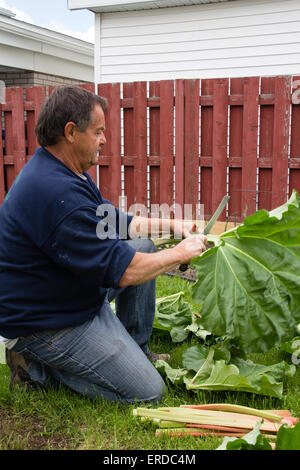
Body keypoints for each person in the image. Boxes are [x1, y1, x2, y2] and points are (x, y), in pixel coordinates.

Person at [0, 86, 207, 404]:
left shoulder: (66, 172)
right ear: (71, 132)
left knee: (145, 245)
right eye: (98, 131)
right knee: (148, 392)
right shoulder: (57, 194)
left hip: (66, 291)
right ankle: (37, 367)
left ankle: (135, 348)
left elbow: (115, 222)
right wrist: (180, 253)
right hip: (43, 321)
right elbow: (124, 270)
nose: (104, 140)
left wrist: (170, 225)